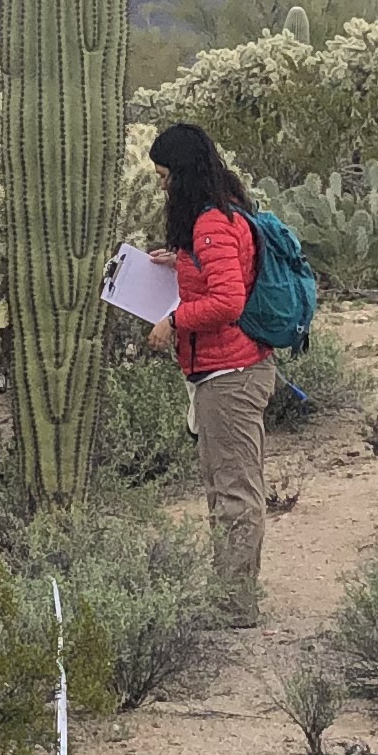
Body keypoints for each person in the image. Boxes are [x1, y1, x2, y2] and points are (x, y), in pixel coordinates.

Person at [144, 121, 273, 625]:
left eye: (164, 176)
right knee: (224, 486)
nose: (161, 186)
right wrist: (177, 265)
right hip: (222, 372)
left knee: (236, 491)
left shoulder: (211, 224)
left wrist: (174, 320)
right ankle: (228, 592)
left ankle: (235, 604)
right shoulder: (218, 217)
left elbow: (227, 300)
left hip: (231, 372)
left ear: (184, 173)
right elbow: (219, 275)